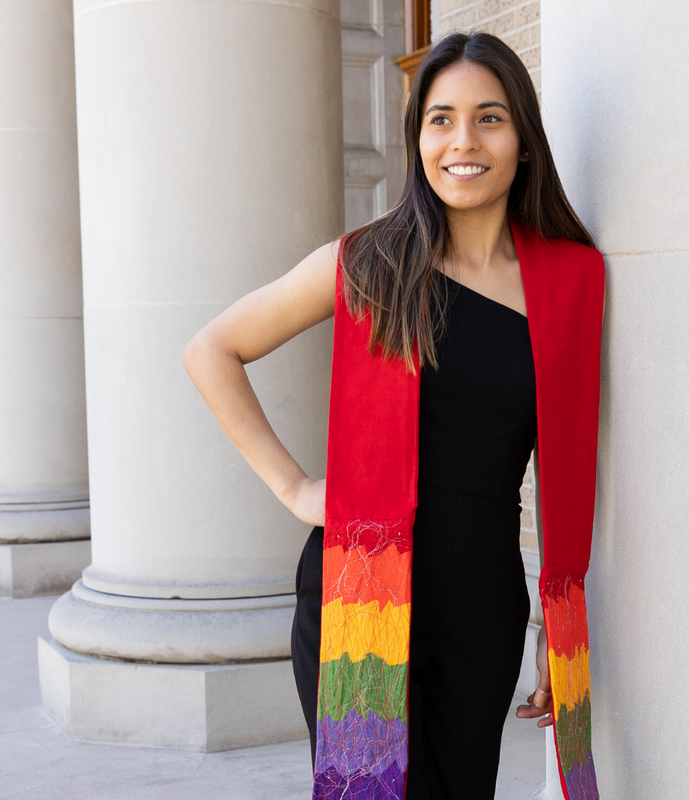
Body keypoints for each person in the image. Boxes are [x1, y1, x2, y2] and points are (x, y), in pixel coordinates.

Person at [184, 30, 604, 800]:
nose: (463, 141)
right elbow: (212, 349)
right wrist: (294, 489)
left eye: (490, 117)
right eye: (439, 119)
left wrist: (558, 624)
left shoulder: (570, 281)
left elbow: (571, 465)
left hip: (481, 592)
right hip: (358, 585)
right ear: (417, 141)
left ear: (524, 142)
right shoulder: (368, 263)